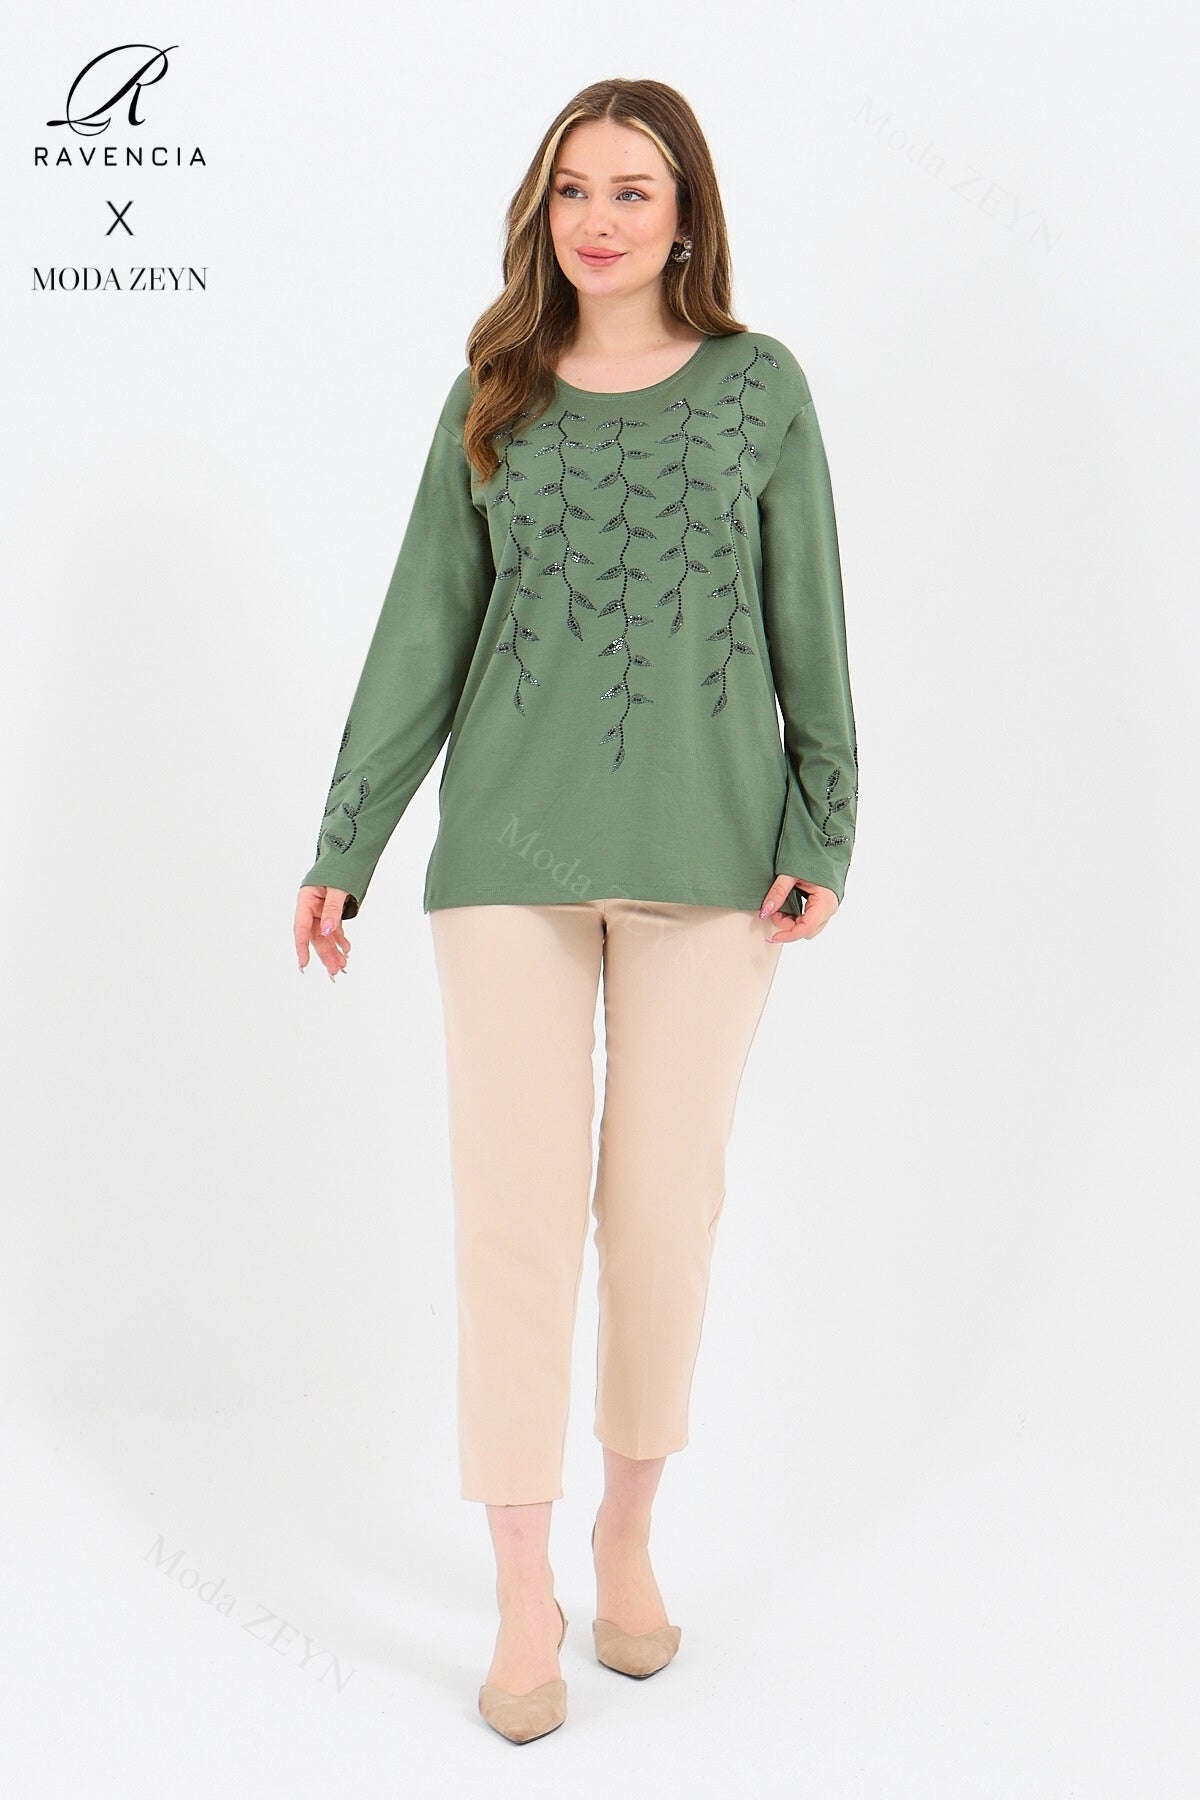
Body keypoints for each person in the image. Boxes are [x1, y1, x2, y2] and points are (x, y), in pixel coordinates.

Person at [293, 75, 859, 1744]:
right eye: (572, 191)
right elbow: (423, 626)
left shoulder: (761, 390)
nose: (598, 219)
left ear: (686, 217)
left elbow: (812, 617)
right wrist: (347, 839)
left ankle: (626, 1535)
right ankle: (521, 1587)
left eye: (633, 190)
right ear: (542, 214)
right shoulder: (498, 391)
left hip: (715, 863)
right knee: (515, 1226)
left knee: (663, 1217)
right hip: (507, 866)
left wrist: (825, 818)